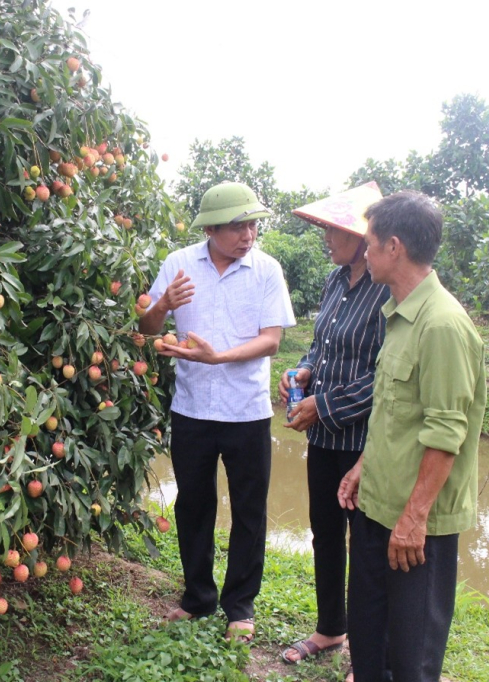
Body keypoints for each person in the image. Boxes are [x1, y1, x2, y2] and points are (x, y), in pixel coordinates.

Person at [338, 191, 487, 682]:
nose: (364, 252)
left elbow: (446, 433)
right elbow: (395, 412)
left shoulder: (442, 325)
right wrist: (363, 466)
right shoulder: (399, 314)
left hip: (416, 528)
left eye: (369, 243)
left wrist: (414, 518)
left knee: (411, 659)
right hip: (377, 508)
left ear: (394, 247)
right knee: (368, 643)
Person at [139, 181, 296, 643]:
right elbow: (147, 328)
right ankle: (198, 598)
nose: (248, 234)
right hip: (192, 409)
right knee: (193, 505)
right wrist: (163, 305)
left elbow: (271, 341)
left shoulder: (266, 270)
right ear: (210, 229)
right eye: (237, 226)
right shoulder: (179, 264)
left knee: (249, 510)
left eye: (253, 225)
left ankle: (240, 607)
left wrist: (218, 358)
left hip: (247, 411)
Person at [277, 182, 388, 664]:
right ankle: (331, 629)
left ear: (363, 236)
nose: (325, 237)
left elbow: (387, 376)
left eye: (332, 229)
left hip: (362, 441)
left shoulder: (386, 290)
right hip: (323, 438)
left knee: (366, 545)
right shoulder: (335, 280)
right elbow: (321, 346)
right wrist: (303, 370)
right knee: (324, 532)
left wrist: (324, 404)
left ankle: (367, 650)